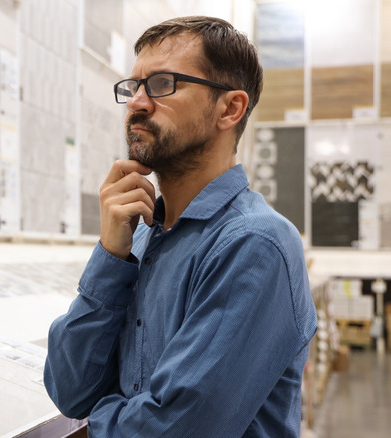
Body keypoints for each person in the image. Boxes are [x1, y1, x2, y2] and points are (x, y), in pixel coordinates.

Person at [43, 16, 317, 437]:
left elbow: (175, 428)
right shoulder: (139, 234)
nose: (137, 102)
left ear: (230, 108)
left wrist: (98, 418)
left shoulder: (254, 243)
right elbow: (69, 389)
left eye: (161, 84)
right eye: (133, 87)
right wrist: (110, 256)